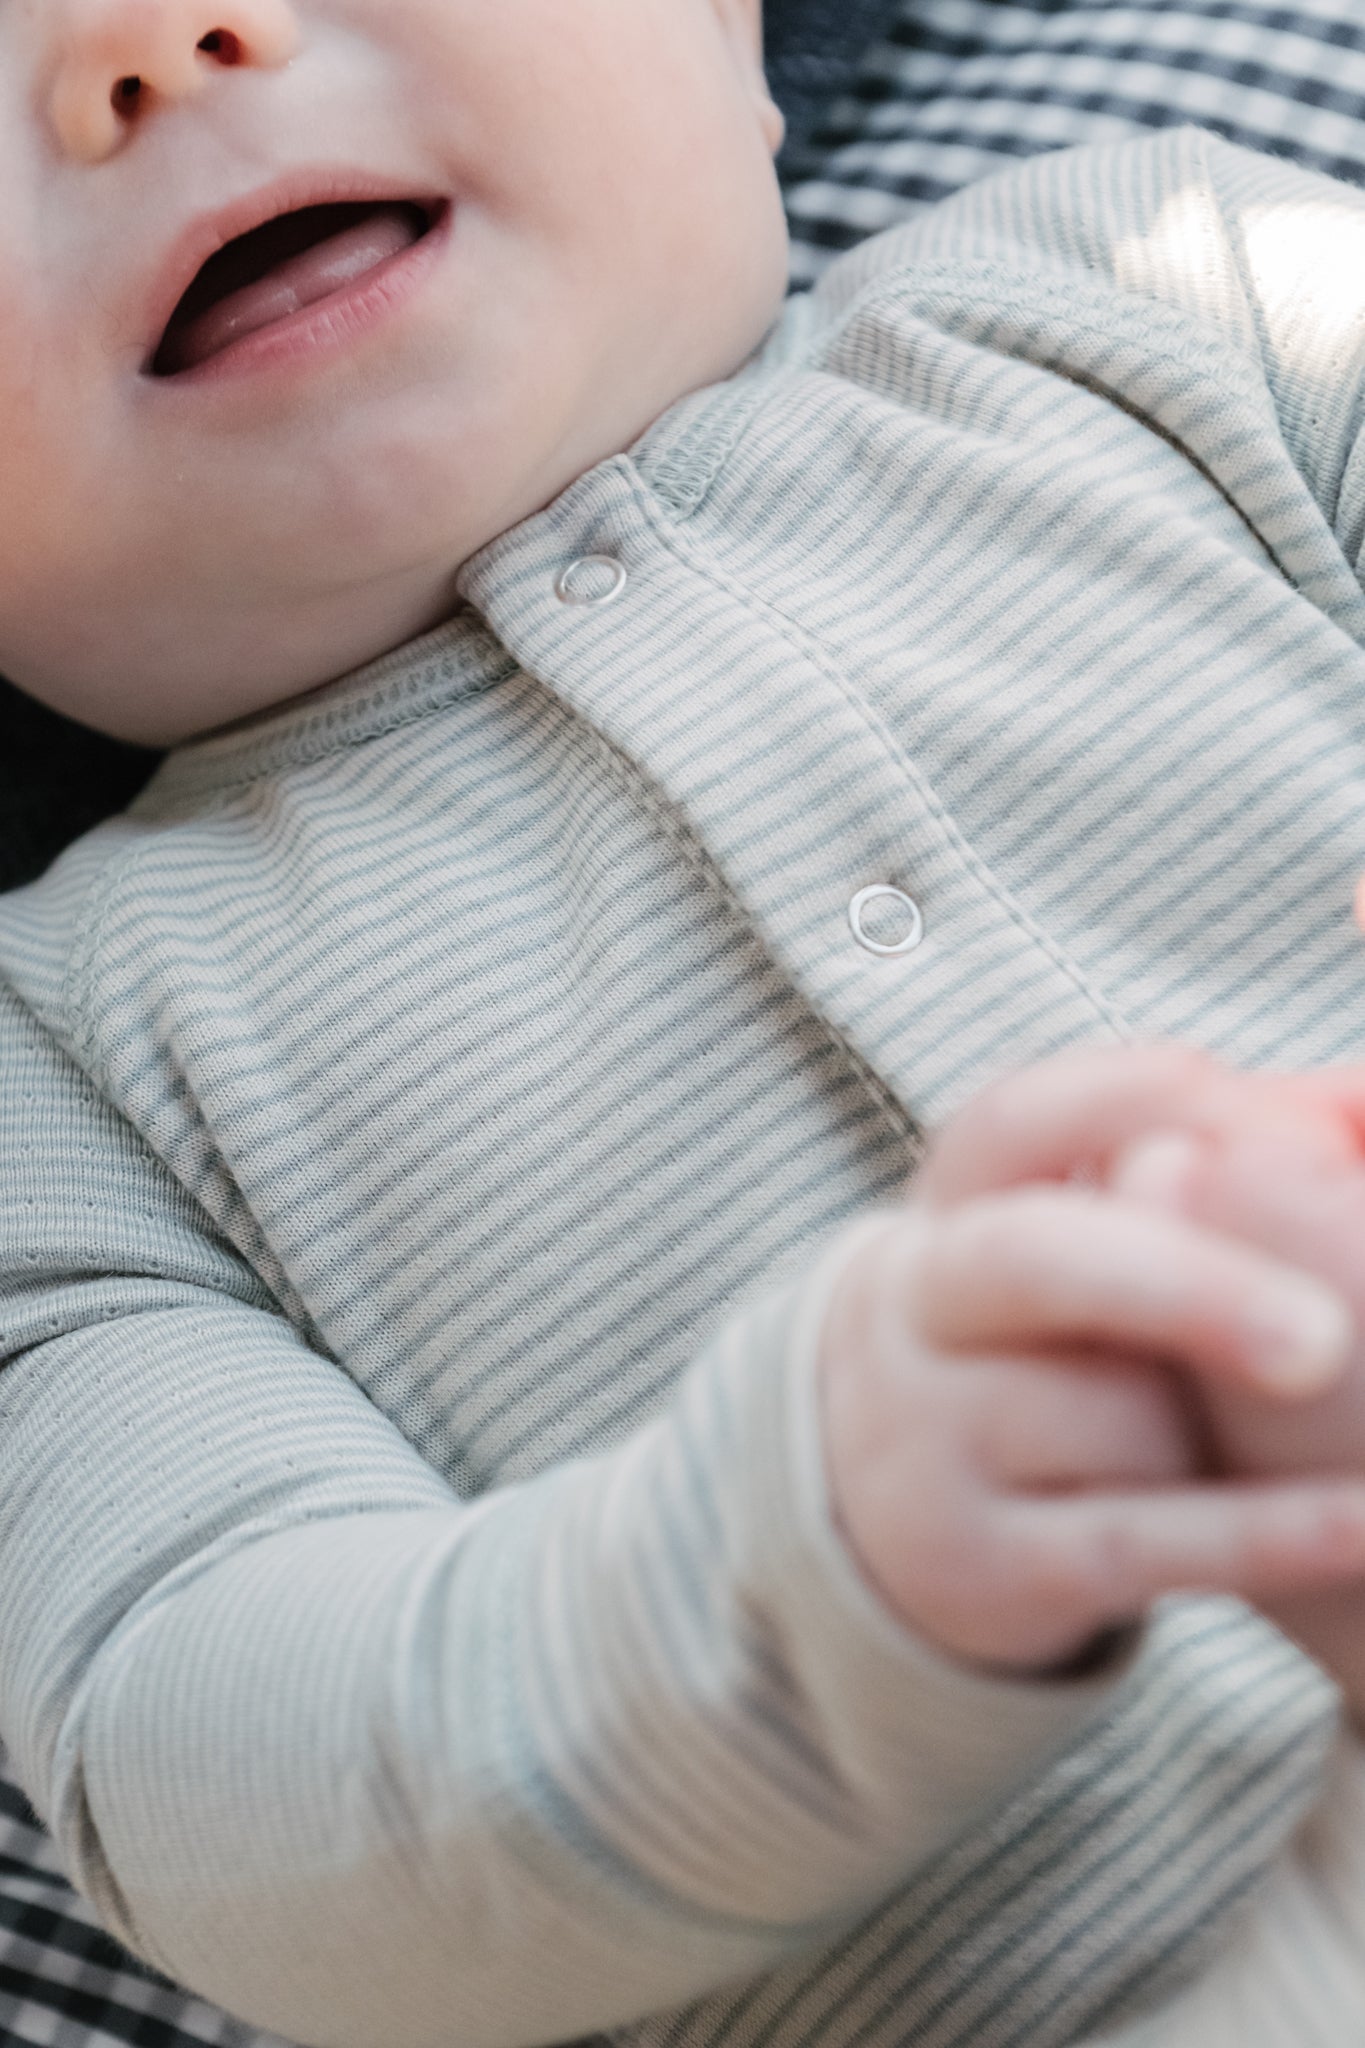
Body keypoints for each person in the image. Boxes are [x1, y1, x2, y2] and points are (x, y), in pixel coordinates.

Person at [7, 2, 1365, 2044]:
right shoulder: (51, 1076)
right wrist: (816, 1560)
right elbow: (222, 1771)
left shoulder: (1172, 287)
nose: (148, 43)